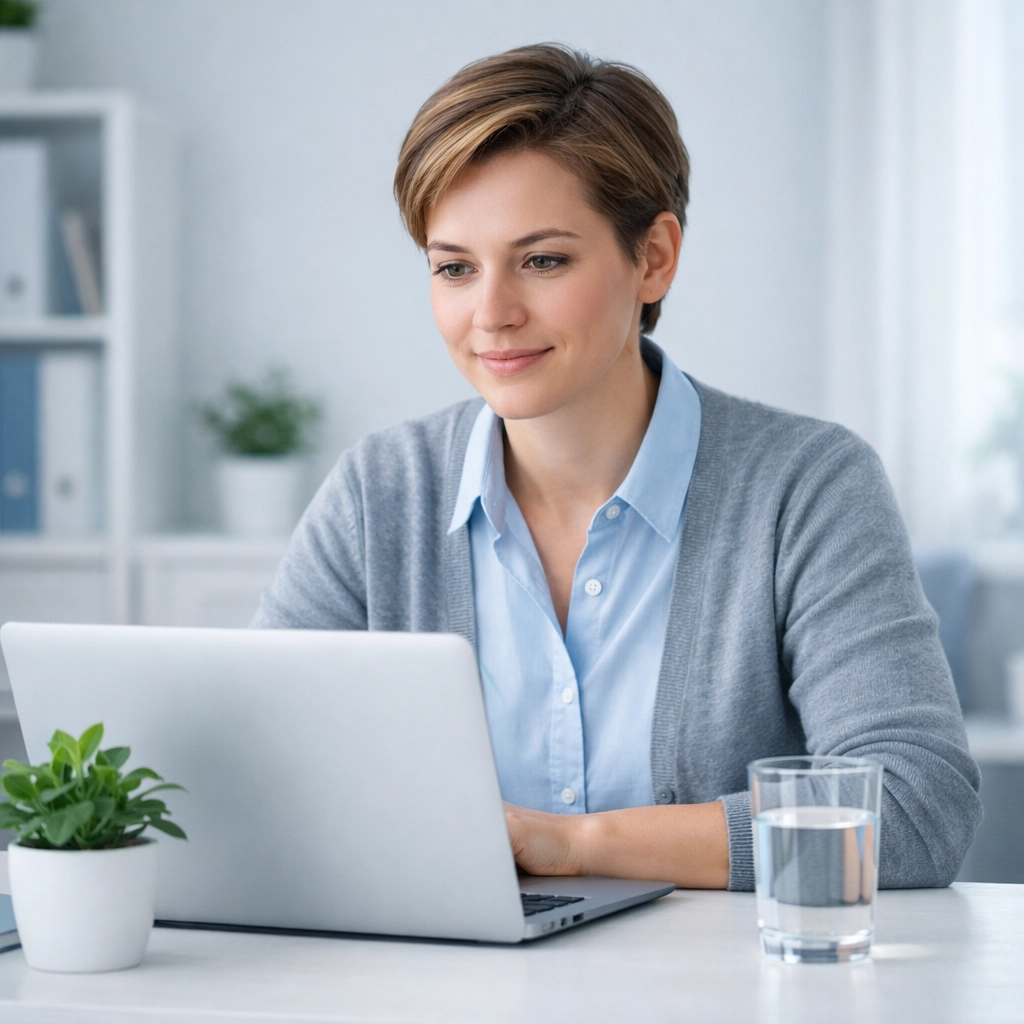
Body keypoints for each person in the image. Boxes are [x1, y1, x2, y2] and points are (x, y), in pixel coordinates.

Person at [252, 43, 981, 891]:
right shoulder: (380, 495)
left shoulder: (806, 488)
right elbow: (255, 771)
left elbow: (918, 808)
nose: (491, 314)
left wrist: (581, 845)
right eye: (454, 268)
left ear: (654, 257)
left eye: (543, 260)